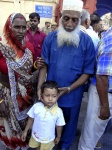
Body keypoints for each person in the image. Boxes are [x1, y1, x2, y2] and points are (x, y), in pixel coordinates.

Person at [37, 0, 95, 149]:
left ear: (80, 20)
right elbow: (44, 66)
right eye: (66, 18)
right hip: (51, 95)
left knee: (69, 128)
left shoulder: (87, 41)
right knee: (49, 127)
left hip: (73, 96)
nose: (69, 24)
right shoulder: (50, 38)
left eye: (74, 20)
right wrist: (39, 89)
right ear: (61, 17)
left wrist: (69, 89)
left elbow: (87, 73)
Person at [0, 13, 44, 150]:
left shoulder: (29, 47)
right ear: (9, 27)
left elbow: (27, 71)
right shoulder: (2, 47)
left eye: (23, 27)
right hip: (6, 97)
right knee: (10, 132)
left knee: (25, 130)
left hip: (26, 98)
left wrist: (36, 66)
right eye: (16, 27)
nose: (20, 31)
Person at [78, 23, 112, 150]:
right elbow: (102, 76)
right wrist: (104, 106)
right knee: (91, 134)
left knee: (94, 131)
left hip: (104, 93)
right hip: (104, 94)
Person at [22, 81, 65, 150]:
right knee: (37, 147)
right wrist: (25, 131)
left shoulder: (58, 111)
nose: (50, 99)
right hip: (36, 135)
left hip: (48, 139)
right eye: (47, 95)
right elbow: (31, 119)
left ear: (57, 96)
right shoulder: (36, 107)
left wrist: (58, 137)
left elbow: (59, 126)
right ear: (41, 95)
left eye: (54, 96)